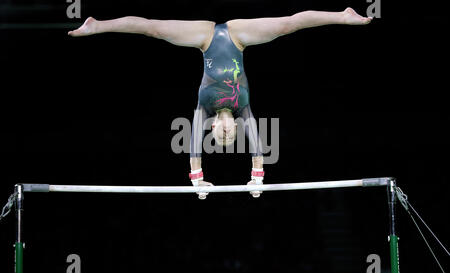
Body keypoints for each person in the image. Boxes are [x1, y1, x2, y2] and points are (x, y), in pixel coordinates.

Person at [68, 8, 372, 199]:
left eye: (221, 135)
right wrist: (257, 176)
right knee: (286, 25)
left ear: (214, 126)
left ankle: (97, 25)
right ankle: (342, 16)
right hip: (238, 37)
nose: (227, 132)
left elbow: (193, 146)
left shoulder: (203, 109)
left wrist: (197, 179)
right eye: (231, 135)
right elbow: (255, 142)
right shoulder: (244, 109)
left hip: (203, 38)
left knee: (154, 28)